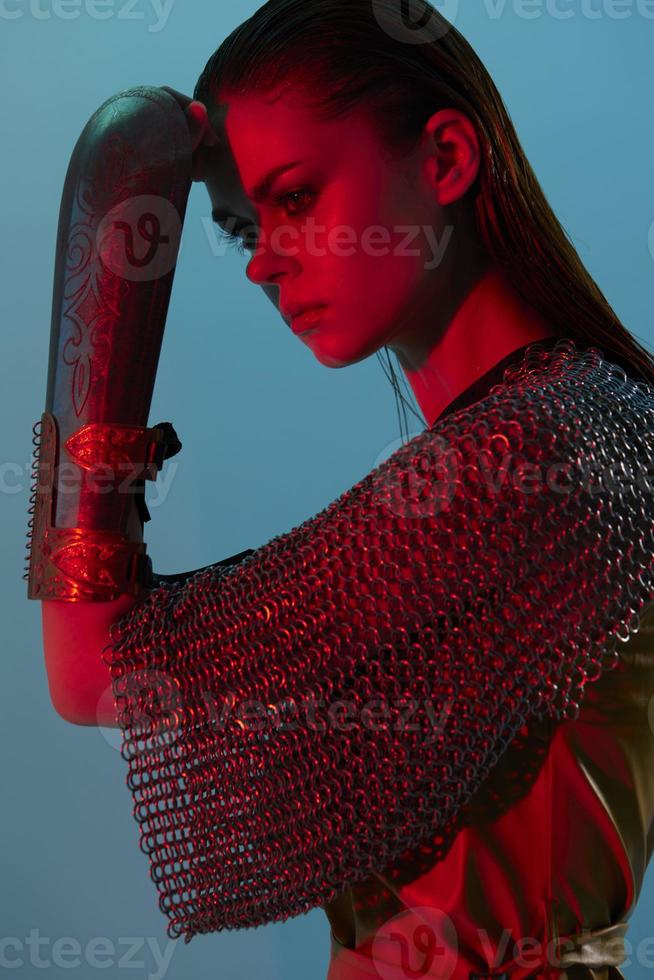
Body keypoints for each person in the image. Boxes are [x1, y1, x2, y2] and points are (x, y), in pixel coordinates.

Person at [35, 2, 654, 978]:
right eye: (242, 229)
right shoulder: (572, 428)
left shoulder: (544, 449)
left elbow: (96, 667)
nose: (264, 263)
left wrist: (123, 164)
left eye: (296, 196)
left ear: (446, 157)